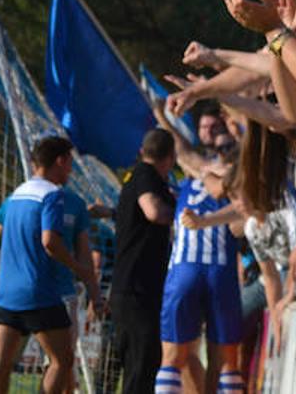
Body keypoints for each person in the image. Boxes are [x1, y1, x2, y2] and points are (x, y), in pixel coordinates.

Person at [0, 137, 101, 394]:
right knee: (62, 361)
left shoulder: (15, 195)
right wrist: (78, 268)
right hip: (40, 293)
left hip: (7, 294)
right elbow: (50, 241)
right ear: (61, 161)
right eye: (70, 164)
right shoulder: (53, 195)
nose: (70, 171)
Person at [155, 163, 245, 394]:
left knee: (172, 358)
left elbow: (185, 152)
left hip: (184, 270)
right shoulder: (236, 186)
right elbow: (239, 227)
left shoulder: (188, 183)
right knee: (226, 362)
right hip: (221, 270)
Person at [111, 129, 177, 394]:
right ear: (170, 158)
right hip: (137, 290)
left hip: (129, 288)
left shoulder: (134, 178)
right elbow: (153, 211)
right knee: (142, 365)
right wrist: (184, 215)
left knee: (138, 365)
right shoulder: (146, 176)